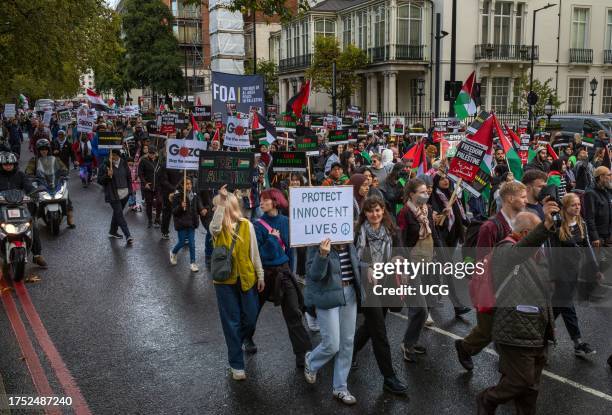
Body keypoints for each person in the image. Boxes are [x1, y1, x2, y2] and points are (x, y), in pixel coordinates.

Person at [477, 208, 558, 415]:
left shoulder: (538, 254)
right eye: (535, 232)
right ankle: (488, 398)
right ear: (524, 234)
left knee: (531, 388)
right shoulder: (506, 250)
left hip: (538, 328)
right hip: (514, 329)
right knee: (521, 380)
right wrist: (545, 227)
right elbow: (522, 250)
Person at [455, 182, 527, 371]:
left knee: (508, 328)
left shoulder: (521, 222)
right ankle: (464, 347)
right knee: (486, 331)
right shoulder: (490, 226)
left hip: (513, 287)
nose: (526, 200)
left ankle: (508, 367)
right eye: (523, 196)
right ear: (510, 199)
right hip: (492, 287)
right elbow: (482, 262)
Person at [245, 188, 312, 367]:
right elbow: (258, 252)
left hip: (283, 272)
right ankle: (247, 338)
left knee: (293, 312)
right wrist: (273, 240)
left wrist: (289, 269)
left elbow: (289, 249)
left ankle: (302, 353)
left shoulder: (286, 222)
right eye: (261, 200)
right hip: (264, 274)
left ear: (275, 201)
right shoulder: (256, 225)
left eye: (266, 200)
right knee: (253, 311)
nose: (262, 202)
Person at [352, 197, 408, 395]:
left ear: (383, 210)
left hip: (387, 283)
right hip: (368, 287)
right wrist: (366, 267)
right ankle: (389, 377)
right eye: (370, 211)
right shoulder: (358, 232)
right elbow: (352, 260)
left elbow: (401, 253)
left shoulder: (393, 231)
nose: (374, 214)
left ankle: (350, 352)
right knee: (379, 332)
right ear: (364, 213)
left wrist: (398, 258)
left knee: (371, 326)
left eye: (377, 210)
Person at [209, 185, 264, 381]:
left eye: (221, 206)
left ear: (233, 206)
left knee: (250, 317)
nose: (216, 209)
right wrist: (221, 203)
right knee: (230, 322)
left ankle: (236, 342)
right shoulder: (218, 229)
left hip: (247, 277)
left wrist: (261, 274)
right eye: (216, 206)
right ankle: (236, 363)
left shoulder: (247, 224)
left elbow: (254, 252)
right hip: (224, 281)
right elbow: (214, 226)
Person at [303, 237, 364, 406]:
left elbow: (356, 264)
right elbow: (314, 275)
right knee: (332, 344)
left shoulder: (349, 239)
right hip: (327, 293)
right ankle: (311, 361)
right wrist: (322, 254)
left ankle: (340, 388)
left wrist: (368, 269)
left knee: (347, 343)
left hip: (350, 292)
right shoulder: (316, 241)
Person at [550, 193, 599, 357]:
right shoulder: (557, 224)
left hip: (573, 271)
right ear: (565, 207)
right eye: (573, 205)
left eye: (578, 204)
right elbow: (551, 252)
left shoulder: (581, 223)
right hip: (560, 272)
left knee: (556, 306)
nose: (577, 207)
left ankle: (542, 332)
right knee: (567, 305)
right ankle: (578, 342)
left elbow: (587, 246)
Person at [397, 178, 440, 362]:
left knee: (430, 301)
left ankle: (411, 341)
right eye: (422, 192)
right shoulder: (405, 213)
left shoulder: (428, 210)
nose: (426, 194)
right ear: (412, 194)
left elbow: (434, 234)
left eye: (427, 191)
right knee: (420, 308)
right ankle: (407, 345)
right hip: (412, 264)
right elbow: (401, 242)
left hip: (429, 261)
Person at [0, 152, 47, 267]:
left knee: (32, 225)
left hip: (19, 205)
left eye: (10, 164)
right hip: (1, 206)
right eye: (5, 164)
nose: (8, 166)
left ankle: (37, 255)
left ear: (14, 164)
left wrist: (34, 193)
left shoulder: (20, 175)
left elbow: (29, 187)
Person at [25, 139, 75, 229]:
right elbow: (29, 170)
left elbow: (63, 167)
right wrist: (30, 175)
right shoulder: (34, 160)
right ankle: (31, 219)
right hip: (41, 182)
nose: (44, 151)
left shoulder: (56, 158)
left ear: (49, 149)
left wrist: (64, 172)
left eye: (45, 149)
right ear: (38, 150)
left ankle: (70, 217)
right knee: (31, 198)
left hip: (54, 181)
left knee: (66, 194)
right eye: (41, 149)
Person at [169, 177, 206, 272]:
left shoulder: (194, 195)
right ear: (182, 185)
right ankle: (173, 252)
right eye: (187, 184)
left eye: (190, 184)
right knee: (181, 242)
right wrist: (181, 207)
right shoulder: (178, 196)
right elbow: (174, 211)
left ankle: (193, 263)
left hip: (191, 223)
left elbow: (198, 205)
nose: (189, 185)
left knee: (192, 243)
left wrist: (202, 209)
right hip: (182, 223)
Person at [98, 151, 134, 245]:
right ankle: (128, 235)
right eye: (111, 155)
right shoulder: (105, 165)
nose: (112, 157)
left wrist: (130, 190)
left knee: (117, 213)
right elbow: (100, 180)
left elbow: (129, 177)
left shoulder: (124, 163)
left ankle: (112, 231)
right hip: (113, 194)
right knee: (120, 215)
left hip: (125, 194)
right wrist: (107, 176)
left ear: (118, 155)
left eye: (114, 155)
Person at [583, 166, 612, 248]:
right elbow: (589, 217)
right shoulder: (590, 193)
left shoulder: (607, 190)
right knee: (601, 260)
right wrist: (595, 237)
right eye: (609, 175)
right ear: (601, 177)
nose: (611, 177)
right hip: (599, 236)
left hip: (608, 234)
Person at [138, 146, 162, 228]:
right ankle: (150, 220)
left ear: (156, 153)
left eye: (153, 153)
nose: (152, 155)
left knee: (159, 202)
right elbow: (140, 174)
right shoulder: (143, 161)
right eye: (150, 153)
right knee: (149, 203)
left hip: (158, 185)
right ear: (148, 153)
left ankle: (158, 218)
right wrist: (145, 183)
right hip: (148, 186)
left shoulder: (159, 161)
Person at [158, 162, 183, 240]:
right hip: (167, 193)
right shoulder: (165, 165)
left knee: (182, 212)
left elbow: (185, 176)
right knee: (167, 213)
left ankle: (184, 234)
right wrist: (173, 189)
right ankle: (164, 231)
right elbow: (163, 180)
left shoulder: (182, 164)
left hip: (180, 192)